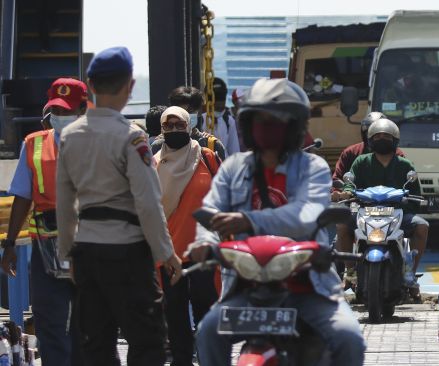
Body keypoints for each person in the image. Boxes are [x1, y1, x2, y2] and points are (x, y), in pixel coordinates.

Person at [190, 78, 365, 366]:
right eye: (260, 120)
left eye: (276, 121)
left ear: (294, 125)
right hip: (247, 287)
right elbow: (211, 213)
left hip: (308, 286)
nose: (267, 127)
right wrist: (204, 243)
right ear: (247, 123)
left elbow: (306, 215)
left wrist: (247, 220)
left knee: (349, 338)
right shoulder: (233, 168)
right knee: (208, 332)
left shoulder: (313, 167)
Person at [55, 46, 183, 366]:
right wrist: (166, 252)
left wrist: (67, 253)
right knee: (148, 343)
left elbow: (65, 202)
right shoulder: (131, 136)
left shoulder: (69, 136)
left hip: (86, 250)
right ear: (130, 86)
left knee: (96, 346)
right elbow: (148, 202)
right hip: (127, 251)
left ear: (91, 85)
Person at [2, 78, 87, 366]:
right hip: (46, 248)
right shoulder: (33, 144)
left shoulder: (102, 144)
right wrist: (10, 244)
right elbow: (23, 198)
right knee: (48, 321)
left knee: (86, 324)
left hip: (91, 246)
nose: (60, 118)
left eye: (67, 111)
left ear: (83, 109)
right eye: (56, 111)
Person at [152, 106, 220, 366]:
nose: (174, 131)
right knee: (175, 313)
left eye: (179, 125)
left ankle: (209, 358)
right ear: (161, 130)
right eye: (168, 127)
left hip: (204, 250)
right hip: (169, 253)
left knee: (207, 309)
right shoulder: (155, 162)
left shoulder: (207, 158)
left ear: (189, 126)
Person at [337, 118, 429, 295]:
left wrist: (408, 206)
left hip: (396, 214)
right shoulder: (361, 162)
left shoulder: (405, 165)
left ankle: (409, 271)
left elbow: (415, 193)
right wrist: (347, 192)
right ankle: (350, 272)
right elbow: (351, 183)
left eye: (386, 136)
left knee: (422, 226)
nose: (381, 139)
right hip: (364, 212)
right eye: (377, 136)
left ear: (394, 140)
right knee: (342, 225)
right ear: (370, 140)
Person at [331, 111, 405, 199]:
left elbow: (408, 186)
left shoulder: (399, 157)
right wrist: (343, 193)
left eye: (385, 136)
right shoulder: (354, 156)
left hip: (392, 203)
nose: (380, 140)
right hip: (357, 203)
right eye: (375, 136)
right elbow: (340, 181)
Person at [151, 86, 227, 160]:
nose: (186, 115)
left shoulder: (212, 145)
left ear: (199, 113)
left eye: (190, 111)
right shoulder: (159, 146)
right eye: (181, 112)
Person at [203, 77, 240, 157]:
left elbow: (234, 150)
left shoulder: (229, 121)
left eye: (221, 108)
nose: (220, 107)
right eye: (216, 108)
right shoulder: (201, 119)